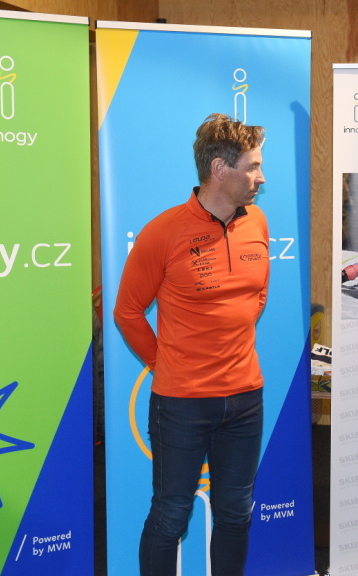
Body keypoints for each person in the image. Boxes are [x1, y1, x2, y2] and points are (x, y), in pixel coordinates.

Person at [113, 113, 269, 576]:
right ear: (219, 169)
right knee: (171, 516)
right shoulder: (163, 232)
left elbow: (257, 294)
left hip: (246, 399)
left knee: (236, 513)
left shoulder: (257, 222)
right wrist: (166, 362)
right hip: (182, 403)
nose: (261, 177)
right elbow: (126, 311)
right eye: (253, 166)